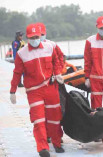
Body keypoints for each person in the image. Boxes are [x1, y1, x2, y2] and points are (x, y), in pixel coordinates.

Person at [9, 23, 65, 157]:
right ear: (27, 38)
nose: (34, 39)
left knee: (55, 118)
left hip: (50, 87)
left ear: (40, 36)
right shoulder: (22, 54)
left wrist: (58, 73)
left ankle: (57, 143)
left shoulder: (49, 47)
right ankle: (42, 148)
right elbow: (17, 73)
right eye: (31, 37)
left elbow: (56, 61)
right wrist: (12, 91)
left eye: (36, 36)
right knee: (38, 120)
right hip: (34, 91)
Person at [84, 16, 103, 109]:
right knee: (96, 107)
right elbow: (87, 61)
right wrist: (87, 77)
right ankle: (96, 122)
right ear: (97, 27)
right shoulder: (90, 41)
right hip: (95, 79)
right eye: (101, 28)